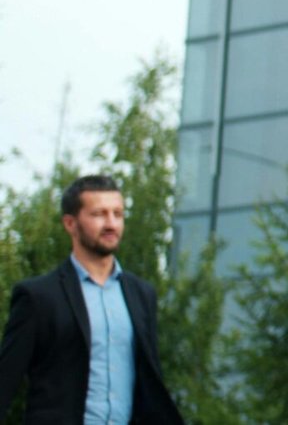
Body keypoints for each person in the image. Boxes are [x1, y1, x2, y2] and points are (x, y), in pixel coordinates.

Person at [0, 175, 184, 424]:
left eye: (118, 214)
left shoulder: (142, 294)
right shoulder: (39, 297)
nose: (111, 224)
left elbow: (150, 381)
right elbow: (6, 378)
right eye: (99, 214)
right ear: (70, 223)